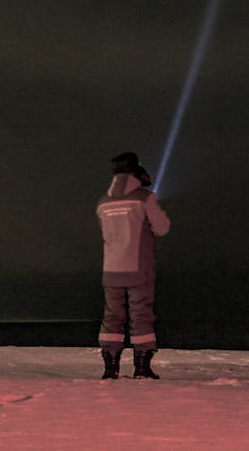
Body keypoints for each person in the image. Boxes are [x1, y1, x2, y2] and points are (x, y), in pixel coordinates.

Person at [96, 151, 171, 380]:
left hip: (111, 268)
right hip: (138, 267)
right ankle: (142, 367)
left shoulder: (103, 203)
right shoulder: (144, 198)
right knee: (141, 315)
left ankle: (111, 368)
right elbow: (162, 228)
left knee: (112, 316)